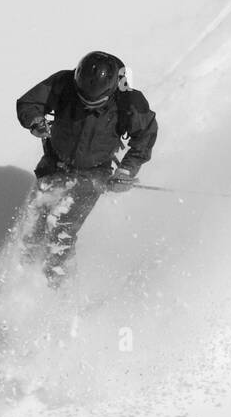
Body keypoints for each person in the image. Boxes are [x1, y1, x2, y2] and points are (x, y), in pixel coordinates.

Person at [16, 51, 158, 284]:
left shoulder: (129, 101)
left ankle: (59, 289)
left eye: (95, 102)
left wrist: (126, 170)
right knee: (33, 224)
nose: (87, 104)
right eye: (82, 98)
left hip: (94, 174)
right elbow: (30, 102)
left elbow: (145, 135)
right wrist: (35, 120)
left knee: (61, 230)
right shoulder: (63, 83)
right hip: (53, 165)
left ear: (111, 91)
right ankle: (23, 278)